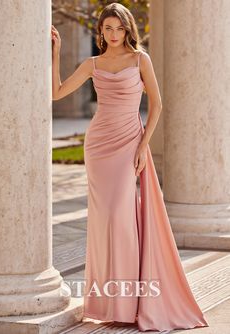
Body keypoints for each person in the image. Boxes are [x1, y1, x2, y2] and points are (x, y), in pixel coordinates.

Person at [51, 2, 209, 333]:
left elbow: (157, 104)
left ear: (127, 30)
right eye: (106, 28)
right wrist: (56, 54)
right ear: (101, 31)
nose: (112, 34)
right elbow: (57, 92)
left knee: (122, 219)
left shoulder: (140, 59)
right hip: (98, 146)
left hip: (128, 144)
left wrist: (142, 145)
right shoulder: (93, 63)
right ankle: (109, 303)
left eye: (118, 28)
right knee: (104, 219)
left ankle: (131, 301)